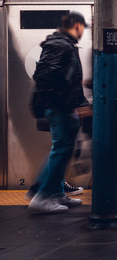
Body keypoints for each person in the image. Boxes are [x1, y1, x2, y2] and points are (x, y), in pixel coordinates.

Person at [27, 12, 89, 214]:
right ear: (77, 25)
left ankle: (55, 192)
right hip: (59, 107)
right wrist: (64, 102)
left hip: (63, 106)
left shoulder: (65, 44)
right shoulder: (60, 44)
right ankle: (42, 195)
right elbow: (44, 74)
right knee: (61, 150)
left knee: (63, 149)